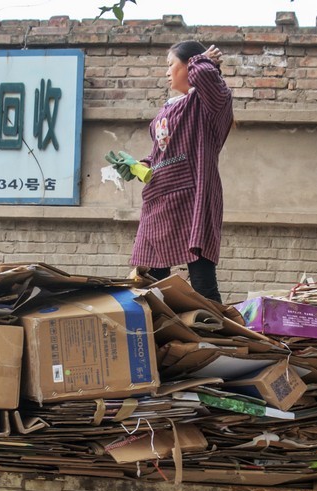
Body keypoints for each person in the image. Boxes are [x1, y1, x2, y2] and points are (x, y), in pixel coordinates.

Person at [114, 40, 233, 305]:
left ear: (191, 65)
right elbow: (162, 153)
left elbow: (205, 75)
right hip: (158, 201)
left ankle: (215, 330)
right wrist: (140, 166)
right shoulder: (168, 107)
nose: (167, 72)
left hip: (192, 199)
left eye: (171, 64)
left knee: (202, 284)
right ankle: (159, 330)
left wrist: (202, 60)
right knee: (150, 284)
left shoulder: (209, 102)